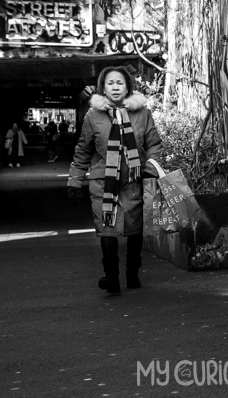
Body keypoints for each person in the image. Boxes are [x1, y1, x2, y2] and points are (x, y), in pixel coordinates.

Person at [67, 67, 162, 295]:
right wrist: (74, 180)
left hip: (134, 180)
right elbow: (83, 150)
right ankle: (111, 277)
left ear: (128, 87)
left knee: (134, 228)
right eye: (110, 83)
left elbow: (154, 144)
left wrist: (149, 168)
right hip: (103, 182)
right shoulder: (92, 116)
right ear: (103, 88)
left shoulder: (142, 114)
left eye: (120, 82)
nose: (116, 87)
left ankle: (132, 272)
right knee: (107, 228)